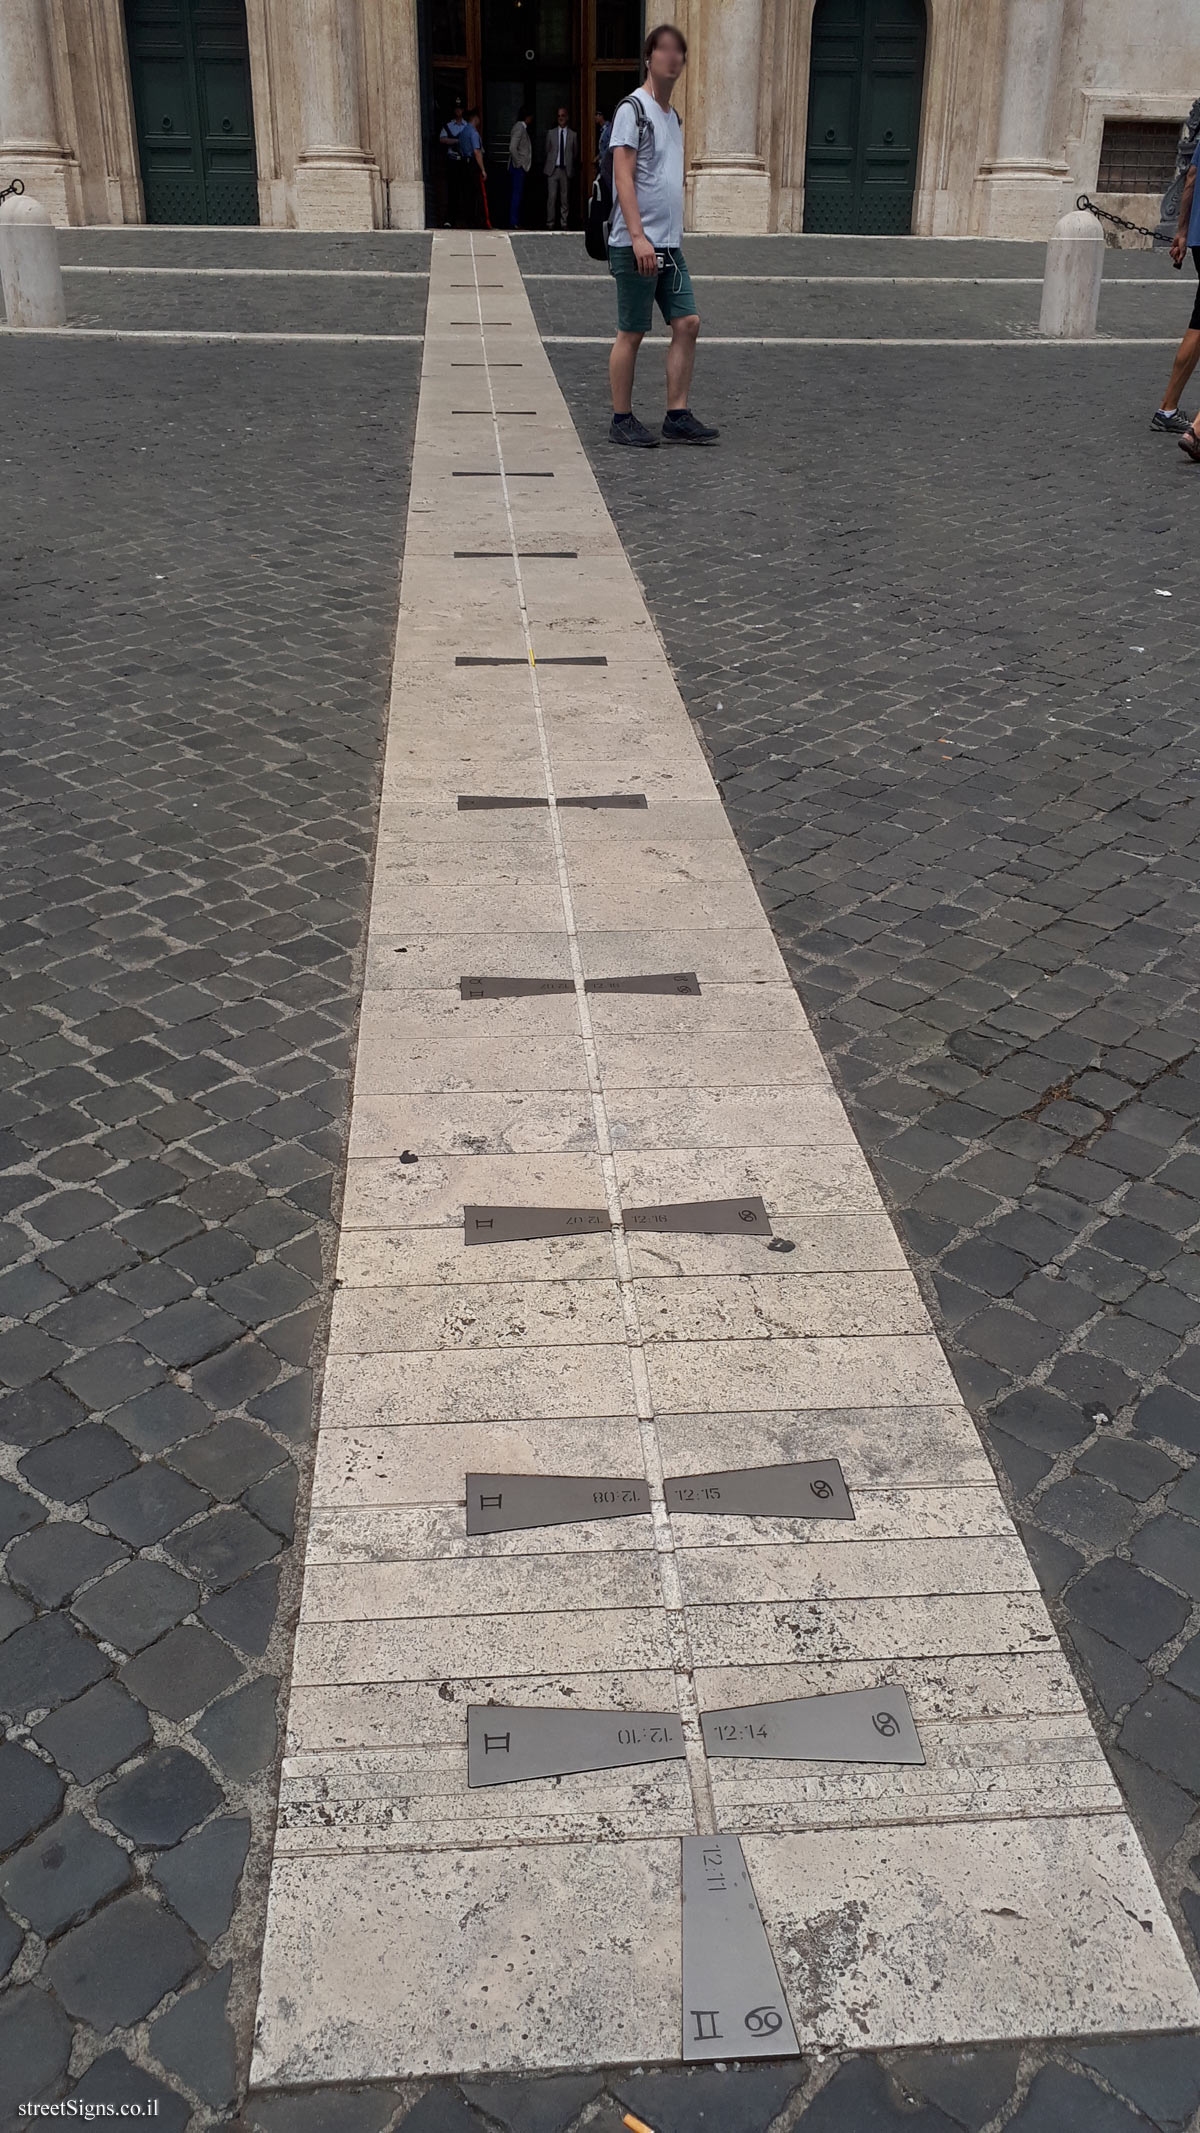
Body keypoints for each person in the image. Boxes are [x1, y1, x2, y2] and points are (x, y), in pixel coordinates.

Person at [607, 24, 718, 447]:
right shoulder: (631, 110)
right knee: (632, 332)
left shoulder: (673, 116)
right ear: (649, 58)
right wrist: (637, 237)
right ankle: (621, 419)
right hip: (636, 243)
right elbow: (623, 175)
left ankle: (677, 413)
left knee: (687, 322)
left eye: (679, 53)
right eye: (664, 50)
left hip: (669, 246)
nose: (673, 58)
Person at [1162, 136, 1200, 455]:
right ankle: (1198, 431)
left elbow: (1191, 178)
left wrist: (1184, 231)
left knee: (1199, 324)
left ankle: (1168, 409)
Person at [544, 105, 578, 230]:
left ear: (567, 117)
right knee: (551, 198)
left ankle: (564, 223)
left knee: (565, 199)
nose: (560, 118)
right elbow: (547, 150)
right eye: (558, 116)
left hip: (566, 170)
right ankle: (550, 223)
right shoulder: (551, 133)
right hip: (553, 170)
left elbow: (575, 153)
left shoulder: (573, 135)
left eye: (563, 116)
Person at [438, 97, 467, 227]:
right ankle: (450, 219)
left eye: (460, 109)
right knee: (451, 191)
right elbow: (442, 139)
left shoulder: (467, 126)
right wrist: (455, 141)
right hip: (452, 161)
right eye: (456, 109)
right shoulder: (449, 126)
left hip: (465, 162)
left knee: (465, 191)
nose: (458, 111)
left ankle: (466, 220)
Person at [459, 106, 487, 228]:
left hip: (464, 162)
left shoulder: (463, 131)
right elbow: (477, 152)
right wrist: (483, 169)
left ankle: (467, 220)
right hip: (473, 165)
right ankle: (479, 221)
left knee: (467, 193)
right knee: (477, 194)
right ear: (475, 118)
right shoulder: (474, 133)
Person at [508, 109, 532, 227]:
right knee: (516, 194)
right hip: (518, 168)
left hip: (520, 167)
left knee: (518, 194)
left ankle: (516, 220)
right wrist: (519, 163)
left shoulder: (522, 128)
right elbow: (513, 147)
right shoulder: (519, 127)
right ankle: (514, 222)